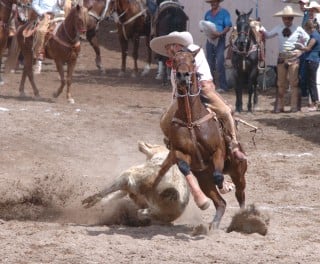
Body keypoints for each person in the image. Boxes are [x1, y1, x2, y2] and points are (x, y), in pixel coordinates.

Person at [150, 31, 245, 208]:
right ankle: (173, 143)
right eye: (167, 47)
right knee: (164, 121)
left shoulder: (194, 52)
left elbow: (202, 76)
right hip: (181, 96)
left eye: (169, 46)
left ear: (176, 44)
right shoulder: (174, 62)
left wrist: (196, 84)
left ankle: (233, 142)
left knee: (224, 111)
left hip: (202, 89)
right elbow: (174, 86)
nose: (168, 49)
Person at [260, 5, 304, 113]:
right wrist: (260, 28)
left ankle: (294, 106)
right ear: (282, 18)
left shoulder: (298, 29)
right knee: (280, 83)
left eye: (289, 18)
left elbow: (307, 39)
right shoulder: (278, 28)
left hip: (293, 57)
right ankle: (280, 106)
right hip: (282, 57)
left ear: (292, 18)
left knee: (294, 82)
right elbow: (268, 35)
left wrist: (300, 51)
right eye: (285, 18)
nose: (287, 20)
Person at [203, 0, 232, 93]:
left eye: (214, 1)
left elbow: (227, 27)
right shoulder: (207, 14)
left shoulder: (224, 13)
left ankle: (223, 86)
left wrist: (219, 34)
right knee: (209, 63)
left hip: (220, 40)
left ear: (218, 2)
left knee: (220, 62)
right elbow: (204, 25)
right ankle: (211, 85)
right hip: (209, 40)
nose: (213, 3)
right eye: (211, 2)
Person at [31, 0, 64, 74]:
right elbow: (34, 4)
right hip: (45, 15)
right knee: (41, 31)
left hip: (58, 15)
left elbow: (61, 4)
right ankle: (39, 57)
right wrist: (42, 12)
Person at [298, 16, 320, 111]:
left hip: (311, 60)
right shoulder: (316, 34)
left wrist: (298, 47)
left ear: (309, 28)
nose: (306, 32)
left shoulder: (314, 36)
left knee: (311, 83)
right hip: (313, 60)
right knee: (311, 82)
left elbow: (308, 48)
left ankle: (315, 103)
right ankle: (315, 102)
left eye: (306, 30)